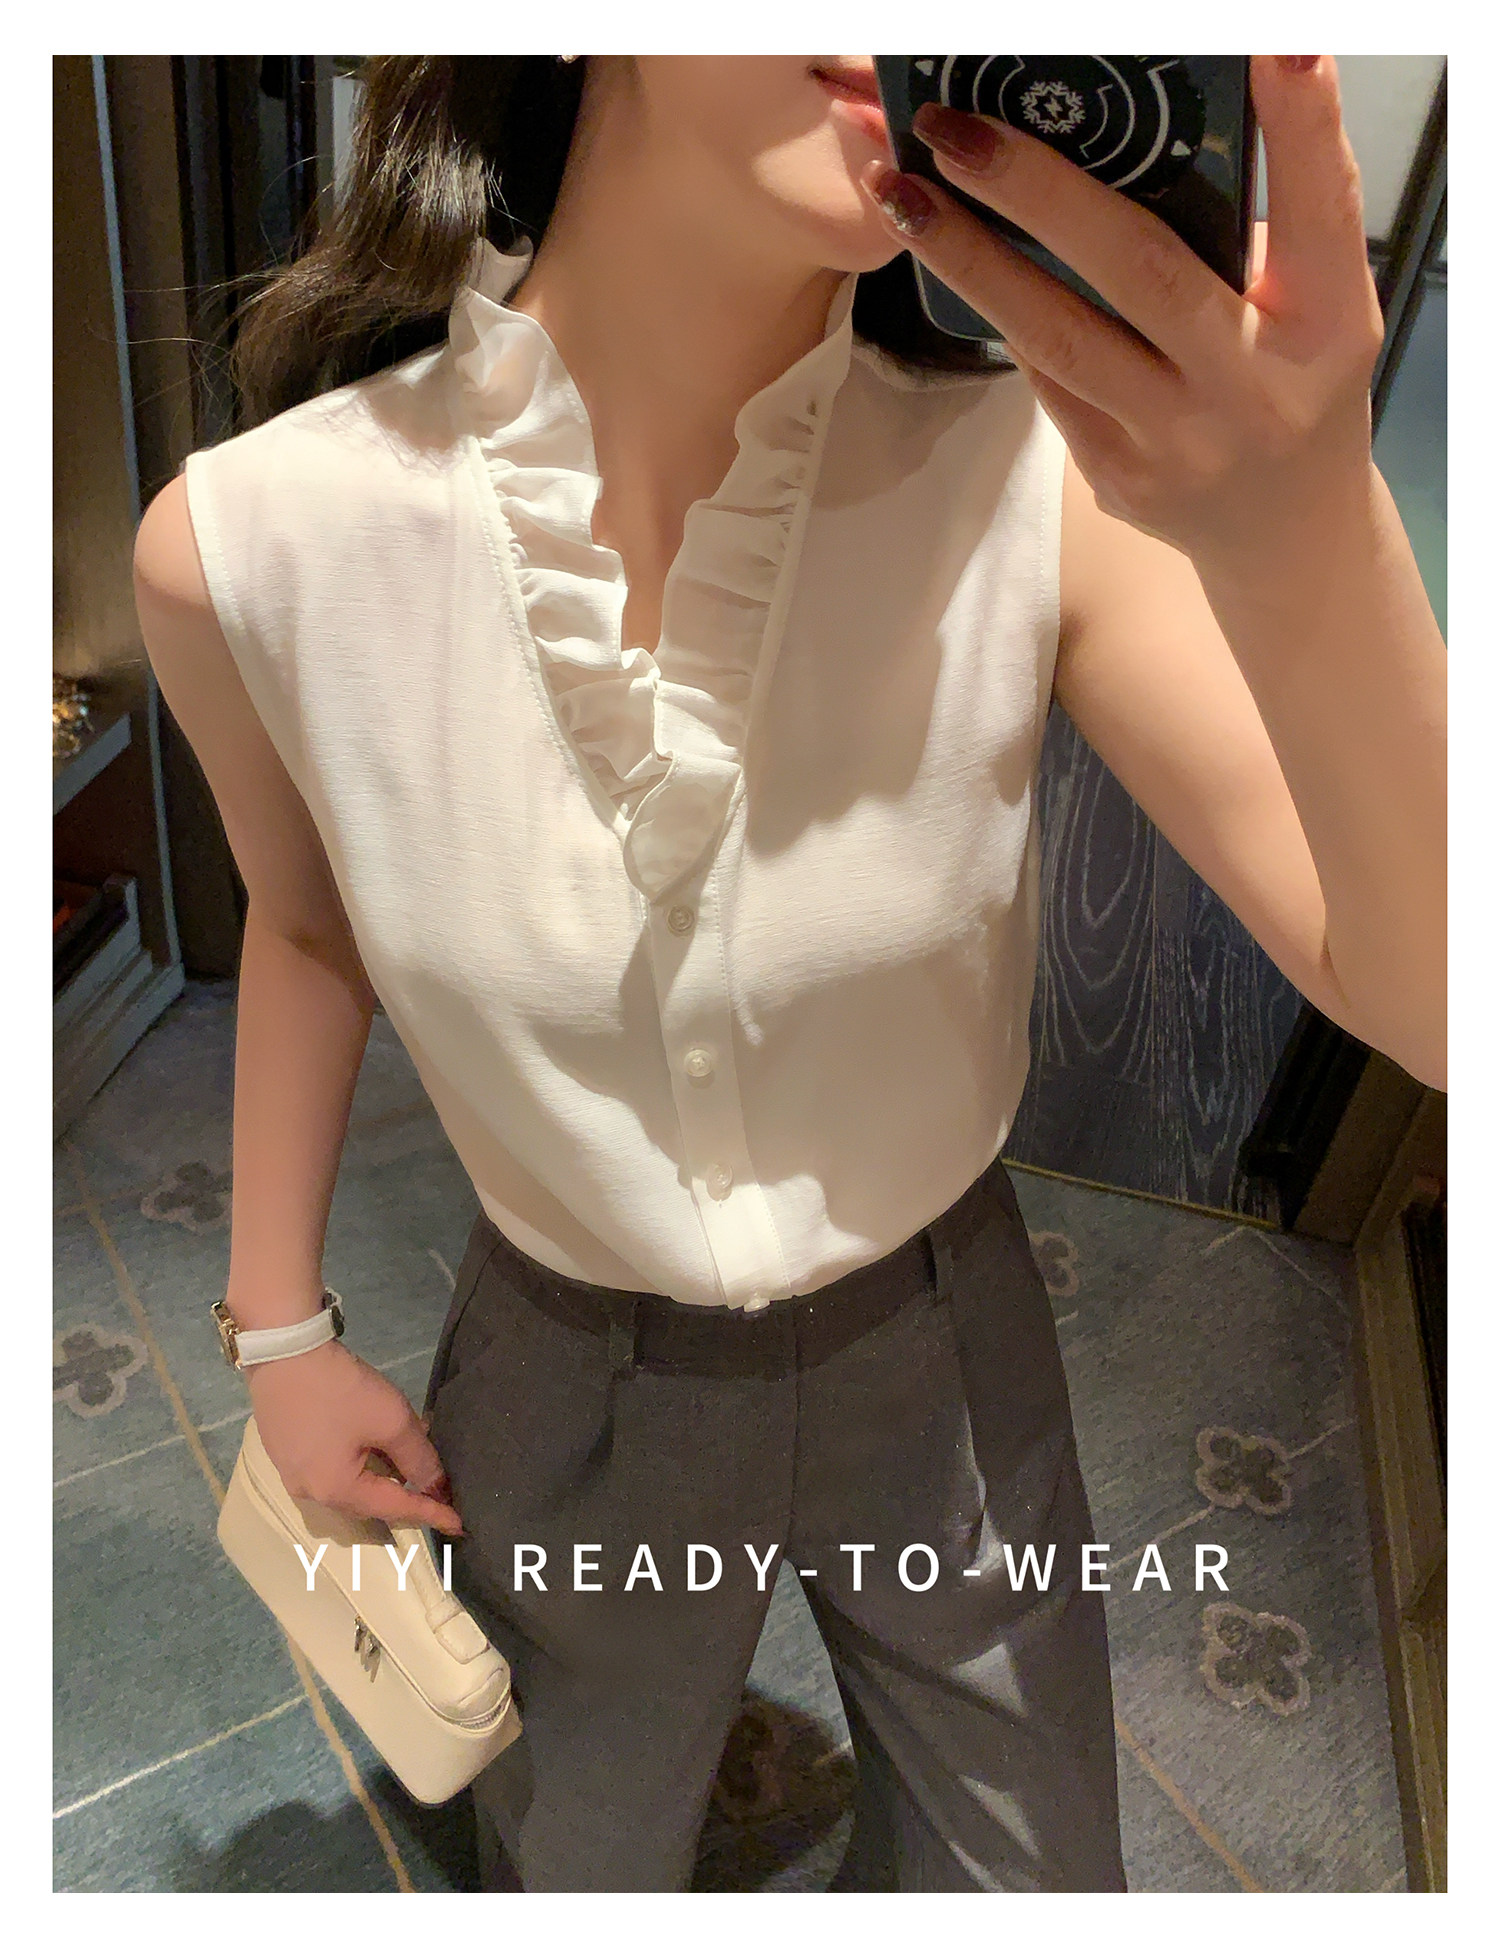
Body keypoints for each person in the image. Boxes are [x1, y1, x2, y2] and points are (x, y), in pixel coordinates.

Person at [132, 56, 1446, 1893]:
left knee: (1036, 1869)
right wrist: (276, 1332)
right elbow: (305, 921)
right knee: (578, 1860)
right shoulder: (251, 545)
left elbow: (1438, 1006)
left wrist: (1309, 526)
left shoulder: (1038, 482)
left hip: (947, 1336)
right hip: (571, 1366)